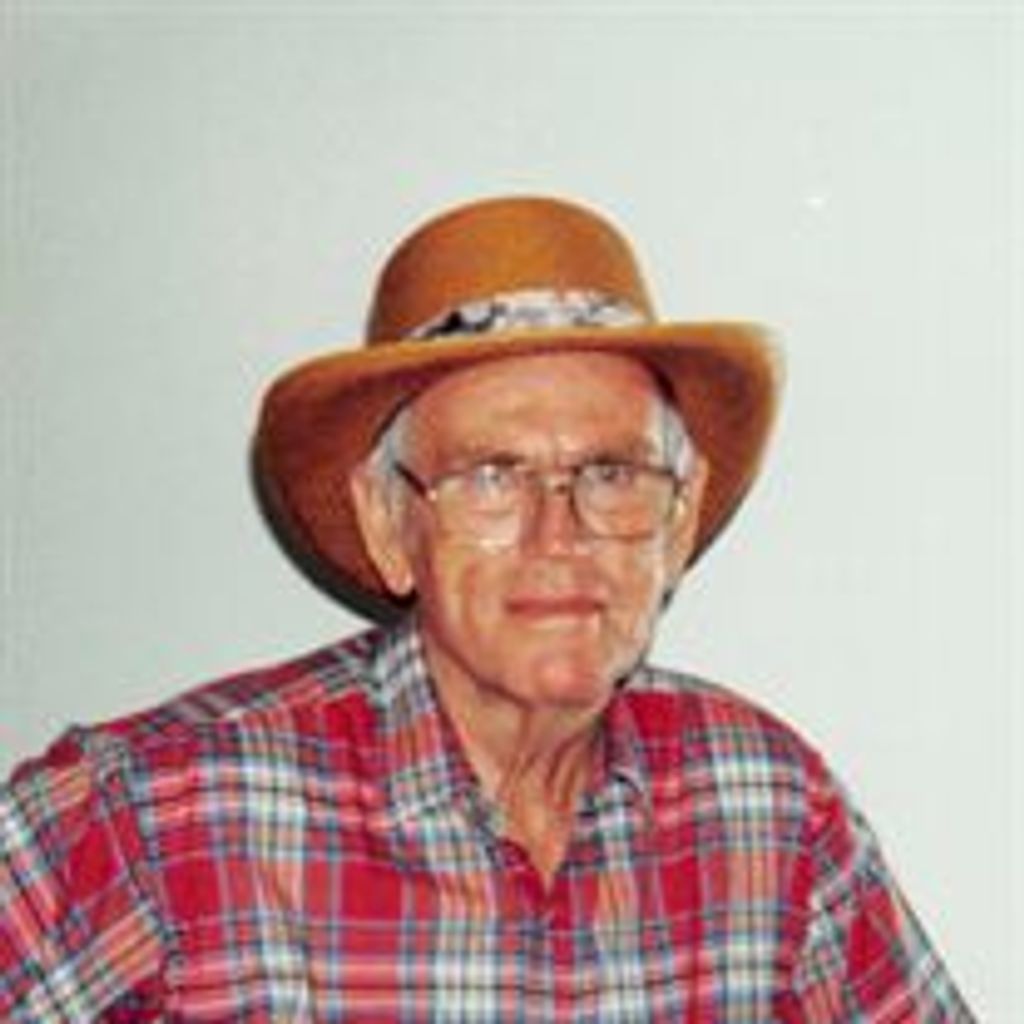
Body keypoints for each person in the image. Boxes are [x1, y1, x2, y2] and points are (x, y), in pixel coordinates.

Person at [0, 196, 973, 1021]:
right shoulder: (157, 818)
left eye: (611, 472)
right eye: (491, 477)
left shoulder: (770, 810)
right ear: (389, 524)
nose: (561, 535)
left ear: (677, 522)